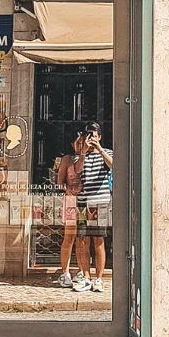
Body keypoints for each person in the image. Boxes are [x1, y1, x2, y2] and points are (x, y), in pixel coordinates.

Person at [74, 121, 113, 293]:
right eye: (89, 135)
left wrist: (100, 149)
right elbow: (77, 171)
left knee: (99, 241)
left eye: (95, 135)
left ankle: (99, 278)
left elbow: (113, 166)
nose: (92, 138)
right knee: (83, 241)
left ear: (100, 137)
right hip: (83, 202)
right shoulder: (79, 155)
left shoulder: (107, 153)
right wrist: (83, 152)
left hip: (100, 202)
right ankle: (86, 277)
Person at [54, 132, 87, 288]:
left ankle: (82, 271)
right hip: (71, 200)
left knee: (83, 239)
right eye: (78, 143)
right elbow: (59, 182)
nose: (80, 146)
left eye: (82, 143)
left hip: (85, 201)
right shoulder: (67, 159)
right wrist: (69, 188)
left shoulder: (89, 158)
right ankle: (65, 271)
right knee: (69, 236)